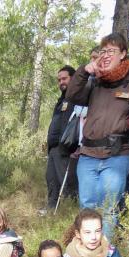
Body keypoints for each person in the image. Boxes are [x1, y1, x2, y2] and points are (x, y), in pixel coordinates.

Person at [65, 33, 129, 240]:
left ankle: (104, 252)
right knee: (87, 206)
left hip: (116, 155)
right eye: (103, 51)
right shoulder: (95, 82)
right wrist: (84, 71)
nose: (106, 55)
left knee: (108, 208)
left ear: (123, 54)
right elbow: (72, 95)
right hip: (88, 155)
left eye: (111, 51)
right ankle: (86, 251)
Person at [45, 66, 78, 210]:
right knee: (51, 179)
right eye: (59, 80)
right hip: (53, 147)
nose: (61, 82)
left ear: (73, 78)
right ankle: (51, 208)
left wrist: (68, 145)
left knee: (65, 181)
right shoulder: (61, 100)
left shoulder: (77, 98)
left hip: (65, 148)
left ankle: (68, 209)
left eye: (64, 78)